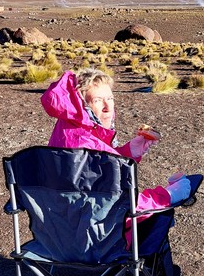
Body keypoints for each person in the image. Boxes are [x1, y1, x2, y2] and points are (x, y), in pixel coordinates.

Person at [41, 69, 191, 215]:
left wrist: (128, 152)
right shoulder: (81, 150)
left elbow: (99, 172)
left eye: (110, 99)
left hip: (62, 229)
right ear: (81, 106)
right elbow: (119, 204)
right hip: (96, 234)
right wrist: (168, 196)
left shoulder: (70, 133)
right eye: (97, 100)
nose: (108, 108)